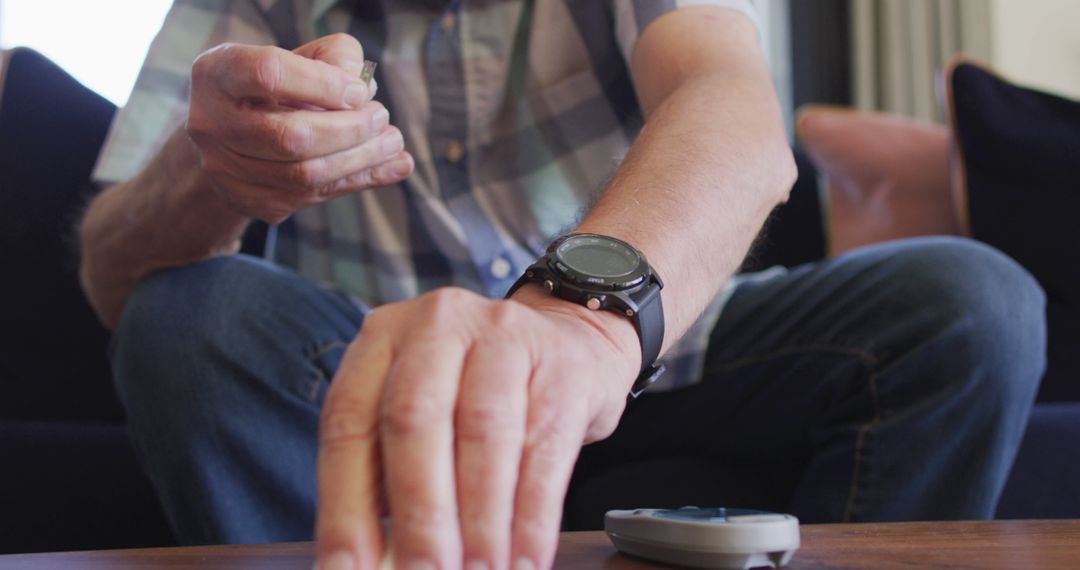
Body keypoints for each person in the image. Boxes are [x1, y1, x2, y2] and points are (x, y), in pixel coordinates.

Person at [78, 1, 1046, 569]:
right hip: (367, 367)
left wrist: (584, 318)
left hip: (667, 351)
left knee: (969, 301)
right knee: (183, 310)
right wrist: (214, 167)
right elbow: (114, 275)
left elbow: (734, 109)